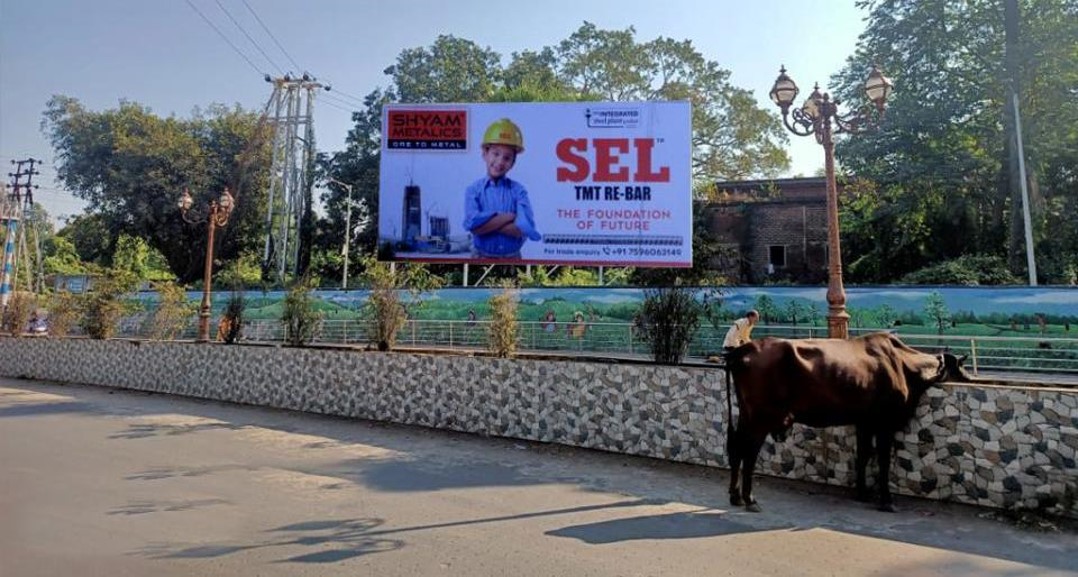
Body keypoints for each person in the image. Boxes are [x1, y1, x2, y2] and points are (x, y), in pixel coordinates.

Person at [462, 118, 541, 259]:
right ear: (485, 154)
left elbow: (522, 229)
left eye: (507, 158)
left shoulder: (519, 191)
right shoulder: (473, 190)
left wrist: (485, 224)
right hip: (480, 258)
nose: (500, 162)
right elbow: (473, 228)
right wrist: (510, 217)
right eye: (496, 154)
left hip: (514, 259)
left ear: (512, 163)